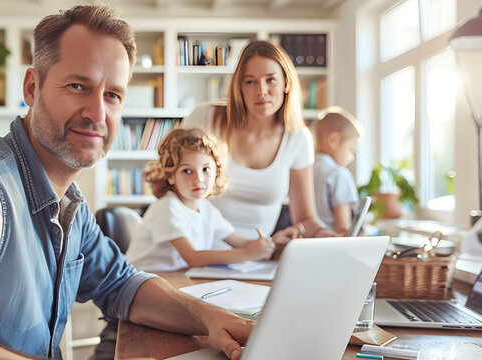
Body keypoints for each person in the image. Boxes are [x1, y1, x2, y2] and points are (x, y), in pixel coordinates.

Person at [0, 6, 253, 360]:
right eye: (78, 86)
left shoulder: (67, 202)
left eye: (113, 94)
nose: (98, 112)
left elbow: (121, 284)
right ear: (32, 88)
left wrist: (210, 317)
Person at [182, 40, 332, 247]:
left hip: (257, 256)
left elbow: (305, 218)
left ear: (286, 83)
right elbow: (168, 181)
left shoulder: (298, 138)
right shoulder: (205, 118)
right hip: (195, 249)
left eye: (270, 80)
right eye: (250, 82)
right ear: (239, 88)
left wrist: (325, 234)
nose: (261, 91)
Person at [126, 128, 276, 271]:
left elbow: (242, 243)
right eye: (187, 171)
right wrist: (247, 254)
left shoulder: (206, 208)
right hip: (144, 281)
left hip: (176, 278)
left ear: (216, 171)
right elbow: (193, 258)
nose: (199, 179)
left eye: (206, 169)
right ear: (171, 176)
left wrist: (266, 244)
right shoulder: (167, 207)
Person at [312, 106, 363, 234]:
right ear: (333, 140)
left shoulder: (306, 170)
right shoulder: (339, 174)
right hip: (332, 244)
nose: (351, 157)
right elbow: (343, 228)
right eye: (350, 149)